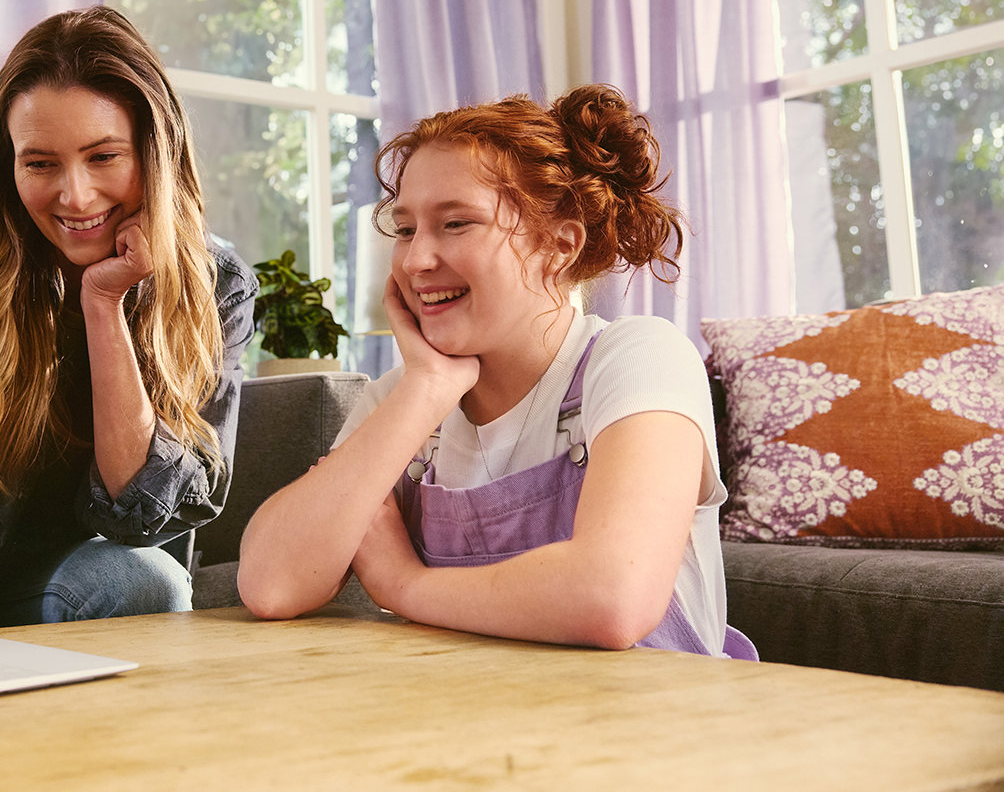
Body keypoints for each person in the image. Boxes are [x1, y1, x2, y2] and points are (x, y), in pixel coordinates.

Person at [236, 85, 754, 659]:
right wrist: (427, 388)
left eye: (455, 223)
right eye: (405, 229)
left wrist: (406, 586)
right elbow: (271, 585)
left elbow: (612, 597)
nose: (415, 261)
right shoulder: (404, 399)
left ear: (559, 245)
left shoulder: (636, 358)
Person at [0, 6, 257, 651]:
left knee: (146, 581)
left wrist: (103, 306)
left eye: (103, 156)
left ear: (156, 150)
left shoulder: (216, 285)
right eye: (41, 164)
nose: (76, 196)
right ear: (9, 164)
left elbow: (143, 516)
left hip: (84, 582)